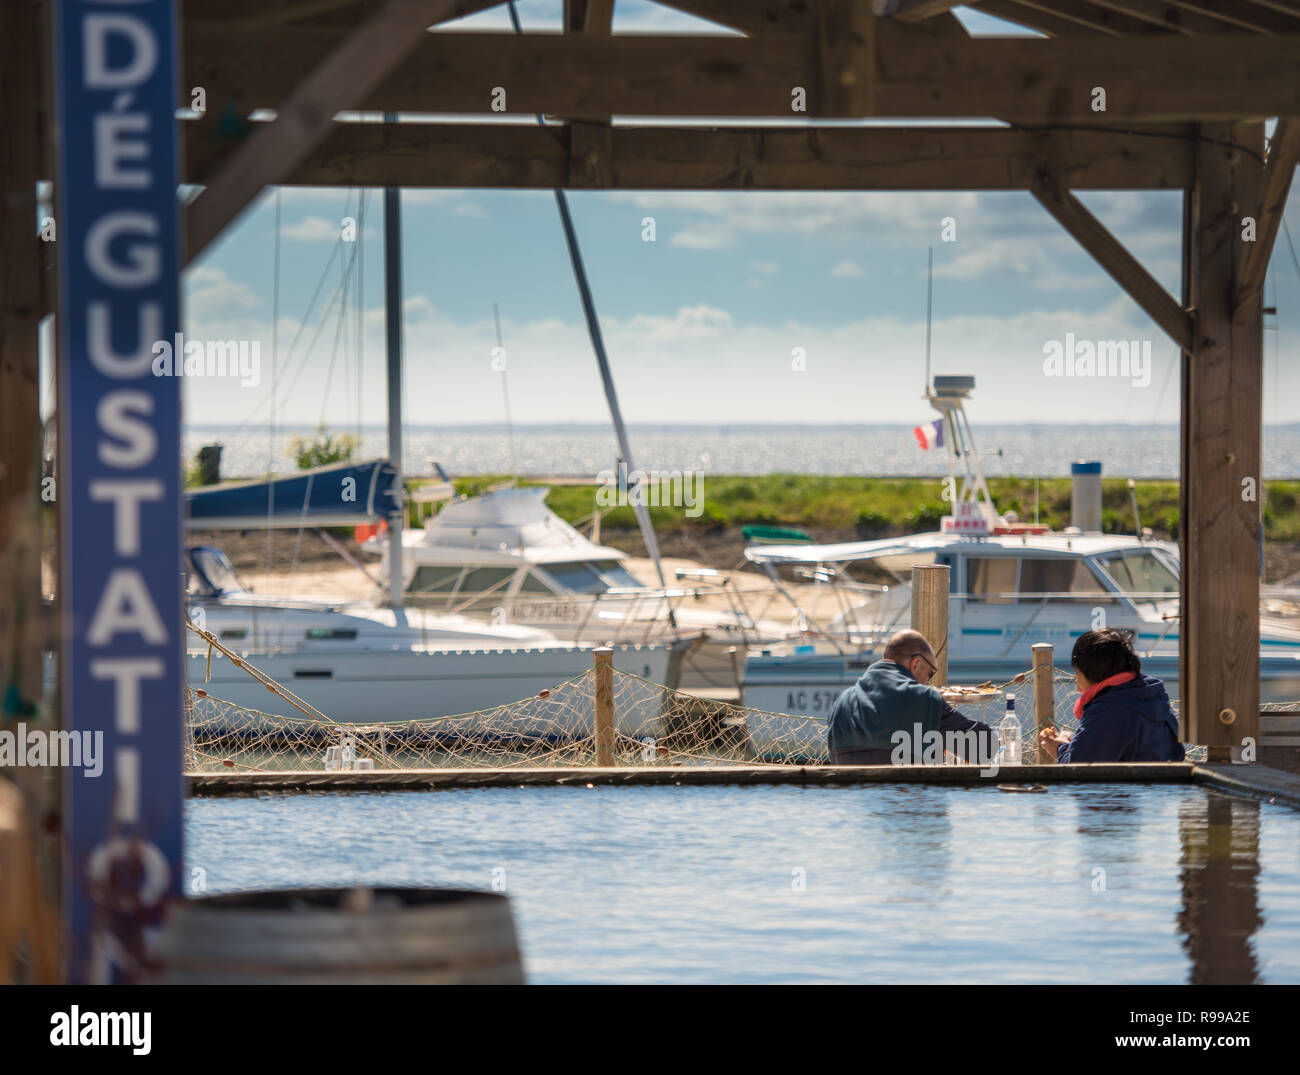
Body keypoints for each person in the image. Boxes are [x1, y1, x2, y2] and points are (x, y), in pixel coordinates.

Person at [827, 629, 996, 765]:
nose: (928, 684)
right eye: (929, 674)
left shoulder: (840, 704)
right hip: (905, 804)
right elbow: (986, 747)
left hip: (853, 804)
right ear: (915, 664)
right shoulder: (923, 698)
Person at [1038, 628, 1185, 763]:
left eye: (1077, 673)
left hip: (1132, 790)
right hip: (1167, 787)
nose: (1076, 683)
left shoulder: (1110, 710)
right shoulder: (1152, 697)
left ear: (1092, 672)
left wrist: (1058, 748)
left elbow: (1080, 769)